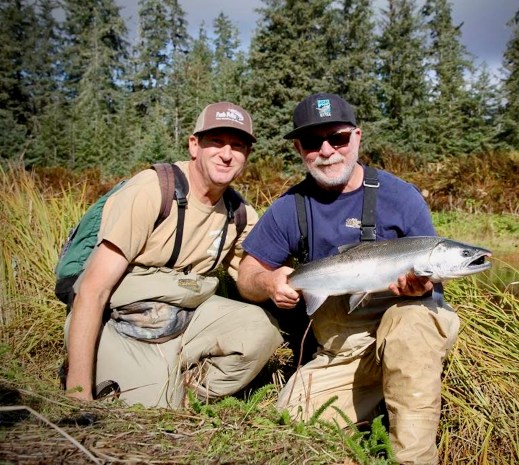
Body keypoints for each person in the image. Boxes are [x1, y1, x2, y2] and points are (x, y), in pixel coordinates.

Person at [237, 93, 460, 464]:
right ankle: (387, 397)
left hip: (407, 332)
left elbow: (436, 278)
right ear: (298, 148)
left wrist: (421, 288)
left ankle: (414, 456)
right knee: (290, 417)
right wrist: (269, 283)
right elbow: (248, 275)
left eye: (337, 138)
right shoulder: (289, 208)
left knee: (409, 322)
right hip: (344, 350)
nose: (327, 150)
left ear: (357, 137)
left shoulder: (400, 197)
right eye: (313, 142)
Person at [64, 102, 283, 408]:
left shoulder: (240, 213)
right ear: (194, 145)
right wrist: (78, 394)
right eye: (216, 142)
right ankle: (152, 384)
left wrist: (277, 282)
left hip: (186, 314)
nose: (226, 153)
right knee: (151, 412)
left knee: (260, 330)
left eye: (238, 146)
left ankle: (186, 387)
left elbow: (251, 276)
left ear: (246, 155)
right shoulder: (154, 190)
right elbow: (93, 289)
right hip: (125, 322)